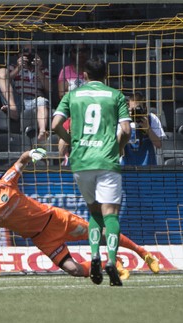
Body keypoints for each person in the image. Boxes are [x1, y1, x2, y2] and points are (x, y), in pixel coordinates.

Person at [0, 149, 160, 279]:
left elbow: (20, 162)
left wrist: (32, 153)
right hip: (42, 239)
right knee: (74, 270)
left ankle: (142, 253)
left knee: (102, 234)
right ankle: (110, 267)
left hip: (56, 220)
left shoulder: (5, 184)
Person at [52, 58, 132, 286]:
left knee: (94, 213)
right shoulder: (116, 95)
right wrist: (118, 148)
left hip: (81, 161)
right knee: (111, 214)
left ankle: (94, 255)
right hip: (107, 160)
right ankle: (112, 260)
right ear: (106, 75)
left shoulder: (72, 96)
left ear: (84, 75)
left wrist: (72, 142)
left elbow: (56, 124)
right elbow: (126, 130)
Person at [0, 43, 51, 142]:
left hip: (36, 99)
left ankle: (43, 131)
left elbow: (49, 89)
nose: (29, 54)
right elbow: (5, 80)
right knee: (1, 71)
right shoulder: (14, 67)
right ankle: (12, 109)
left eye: (32, 52)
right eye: (26, 51)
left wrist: (38, 70)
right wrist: (18, 68)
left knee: (42, 101)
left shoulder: (43, 70)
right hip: (18, 99)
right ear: (19, 54)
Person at [57, 44, 91, 166]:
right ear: (71, 53)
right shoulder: (65, 71)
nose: (80, 53)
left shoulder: (90, 70)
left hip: (89, 112)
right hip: (71, 111)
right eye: (76, 51)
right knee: (66, 131)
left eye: (83, 50)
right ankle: (64, 160)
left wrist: (74, 95)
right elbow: (62, 95)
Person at [120, 92, 166, 166]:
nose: (135, 112)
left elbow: (159, 144)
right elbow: (117, 147)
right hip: (127, 167)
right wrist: (126, 127)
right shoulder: (124, 121)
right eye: (132, 109)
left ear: (144, 108)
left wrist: (148, 129)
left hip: (148, 167)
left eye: (137, 109)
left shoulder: (152, 119)